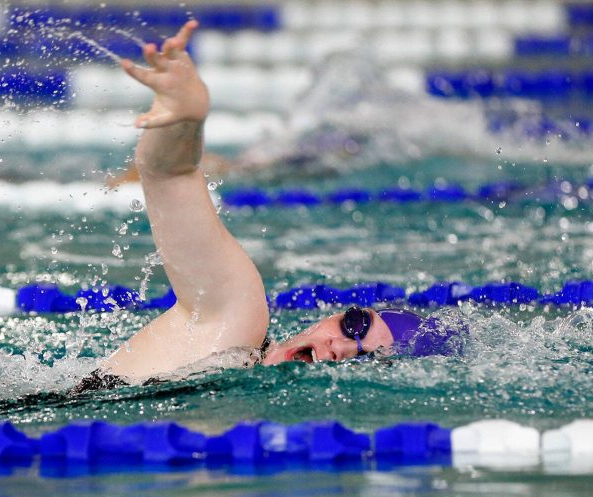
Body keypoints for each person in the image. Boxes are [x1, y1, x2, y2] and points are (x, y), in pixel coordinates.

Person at [78, 20, 458, 393]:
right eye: (354, 325)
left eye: (371, 359)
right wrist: (182, 118)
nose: (340, 349)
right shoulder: (232, 329)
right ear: (330, 317)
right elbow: (170, 175)